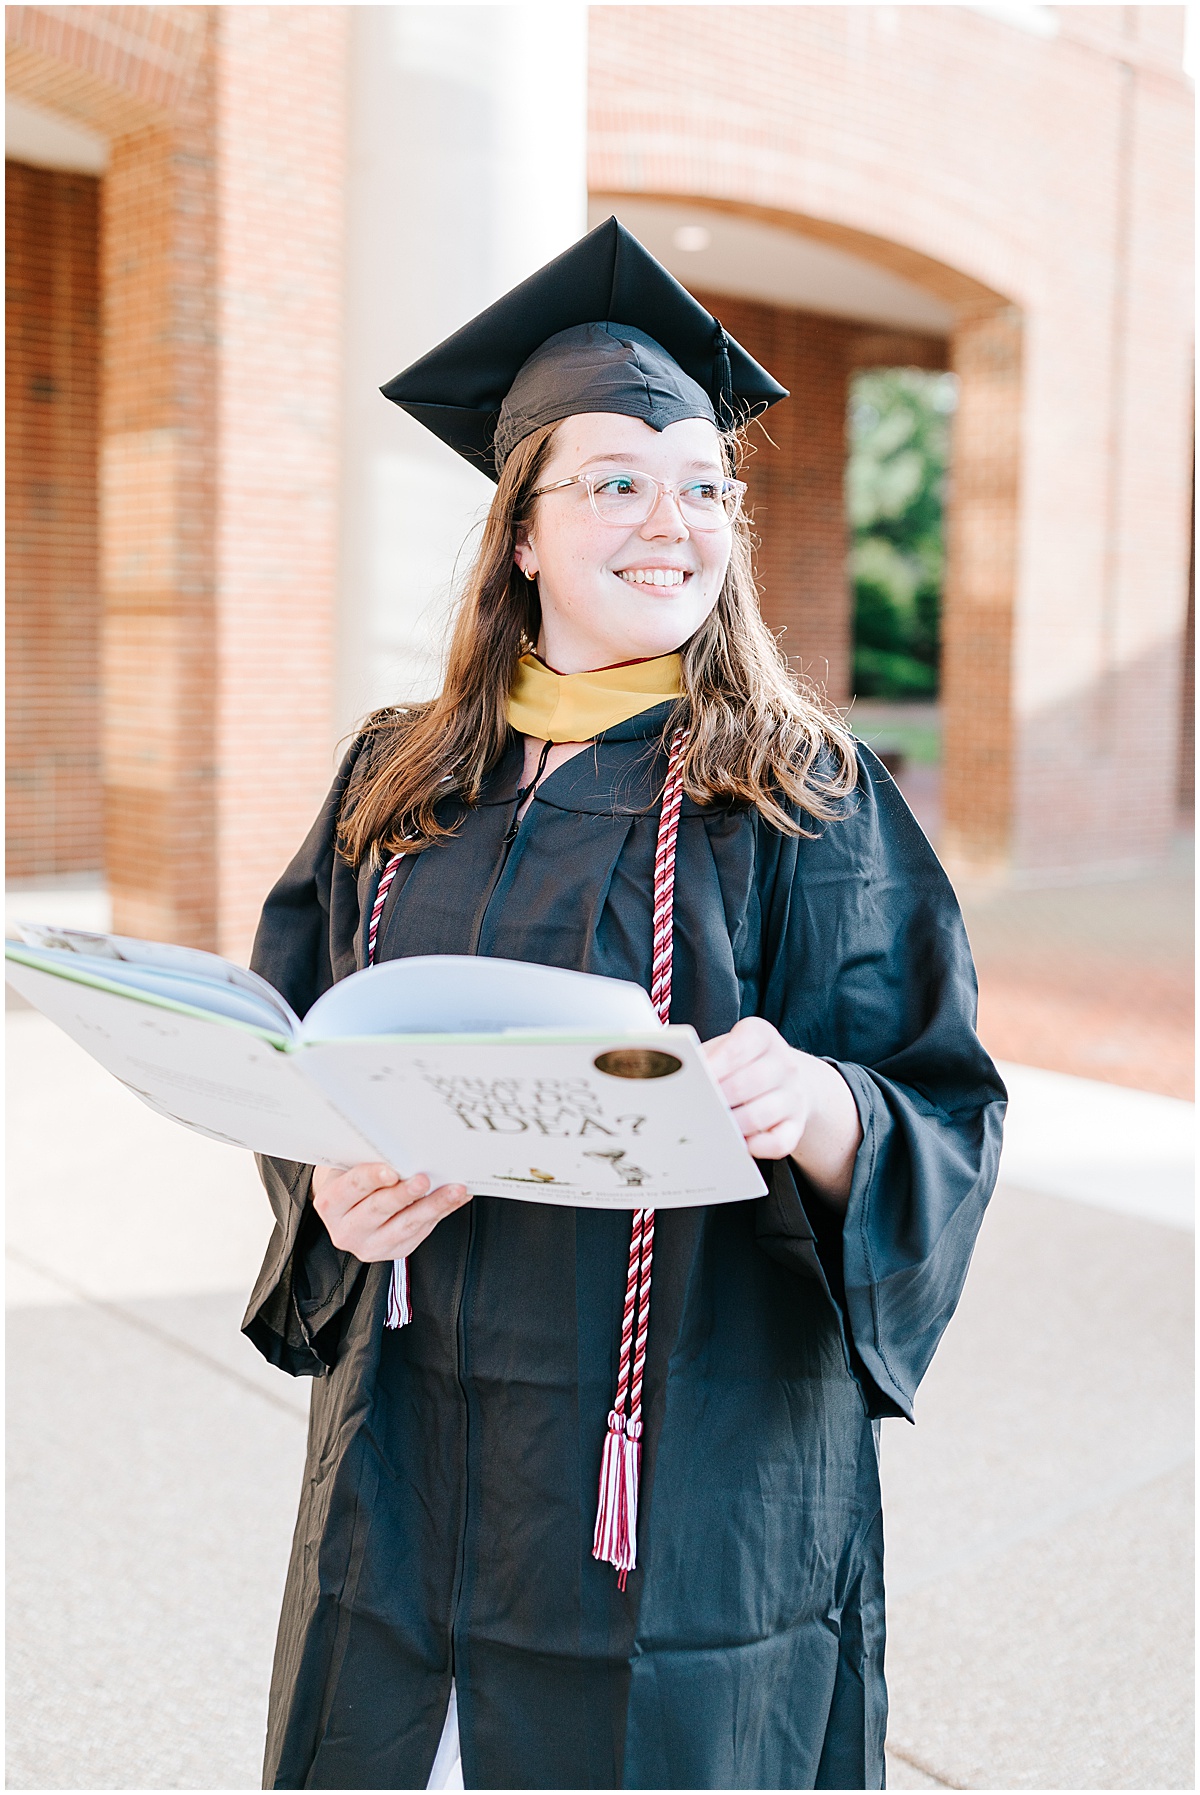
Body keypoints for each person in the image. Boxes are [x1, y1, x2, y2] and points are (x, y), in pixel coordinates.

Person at [245, 217, 1005, 1791]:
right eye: (615, 480)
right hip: (409, 1462)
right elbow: (291, 1055)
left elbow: (938, 1100)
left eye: (704, 483)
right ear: (519, 529)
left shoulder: (806, 796)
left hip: (688, 1491)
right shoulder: (400, 781)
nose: (674, 519)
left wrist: (822, 1106)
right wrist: (324, 1191)